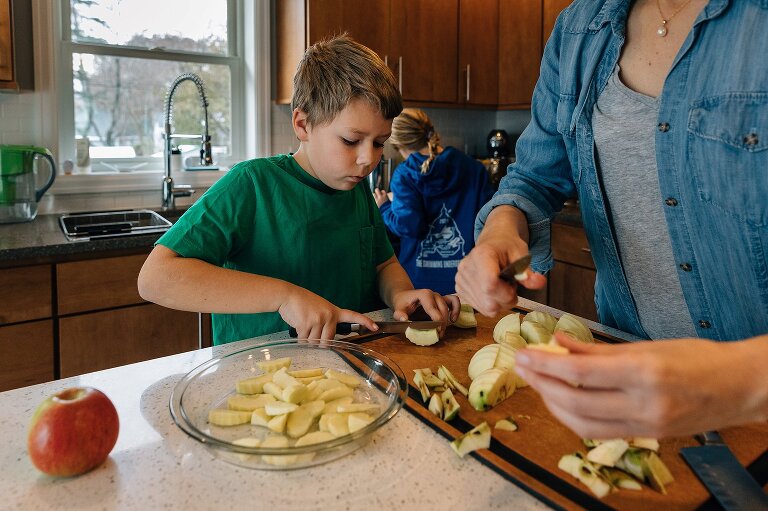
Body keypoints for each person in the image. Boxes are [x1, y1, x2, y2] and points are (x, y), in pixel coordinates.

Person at [456, 0, 768, 439]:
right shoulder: (579, 29)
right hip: (626, 387)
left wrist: (734, 383)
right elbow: (532, 179)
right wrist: (500, 230)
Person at [138, 35, 459, 344]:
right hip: (262, 376)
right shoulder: (251, 184)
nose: (368, 160)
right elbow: (155, 278)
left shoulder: (356, 187)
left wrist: (400, 294)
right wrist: (284, 296)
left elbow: (383, 264)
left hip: (350, 368)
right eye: (350, 140)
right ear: (302, 124)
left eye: (379, 143)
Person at [374, 109, 494, 295]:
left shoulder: (405, 174)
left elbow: (410, 226)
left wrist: (384, 208)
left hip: (419, 282)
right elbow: (488, 221)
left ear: (399, 145)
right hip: (466, 280)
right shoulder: (474, 168)